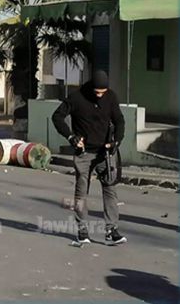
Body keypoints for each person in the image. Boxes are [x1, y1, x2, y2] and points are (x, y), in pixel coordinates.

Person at [52, 70, 126, 245]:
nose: (100, 95)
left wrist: (117, 141)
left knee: (110, 189)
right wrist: (70, 137)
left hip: (105, 153)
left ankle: (111, 230)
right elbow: (57, 116)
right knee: (81, 191)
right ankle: (82, 231)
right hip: (84, 152)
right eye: (97, 92)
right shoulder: (77, 97)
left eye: (103, 92)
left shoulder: (111, 97)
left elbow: (120, 120)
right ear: (91, 88)